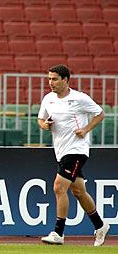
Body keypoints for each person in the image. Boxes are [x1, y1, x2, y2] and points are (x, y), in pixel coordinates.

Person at [38, 64, 110, 246]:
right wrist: (45, 125)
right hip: (60, 151)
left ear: (65, 80)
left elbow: (100, 114)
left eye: (54, 79)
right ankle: (100, 226)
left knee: (58, 187)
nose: (51, 83)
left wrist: (85, 129)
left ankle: (58, 233)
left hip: (77, 150)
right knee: (78, 191)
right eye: (49, 79)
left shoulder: (79, 98)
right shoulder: (48, 99)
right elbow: (40, 119)